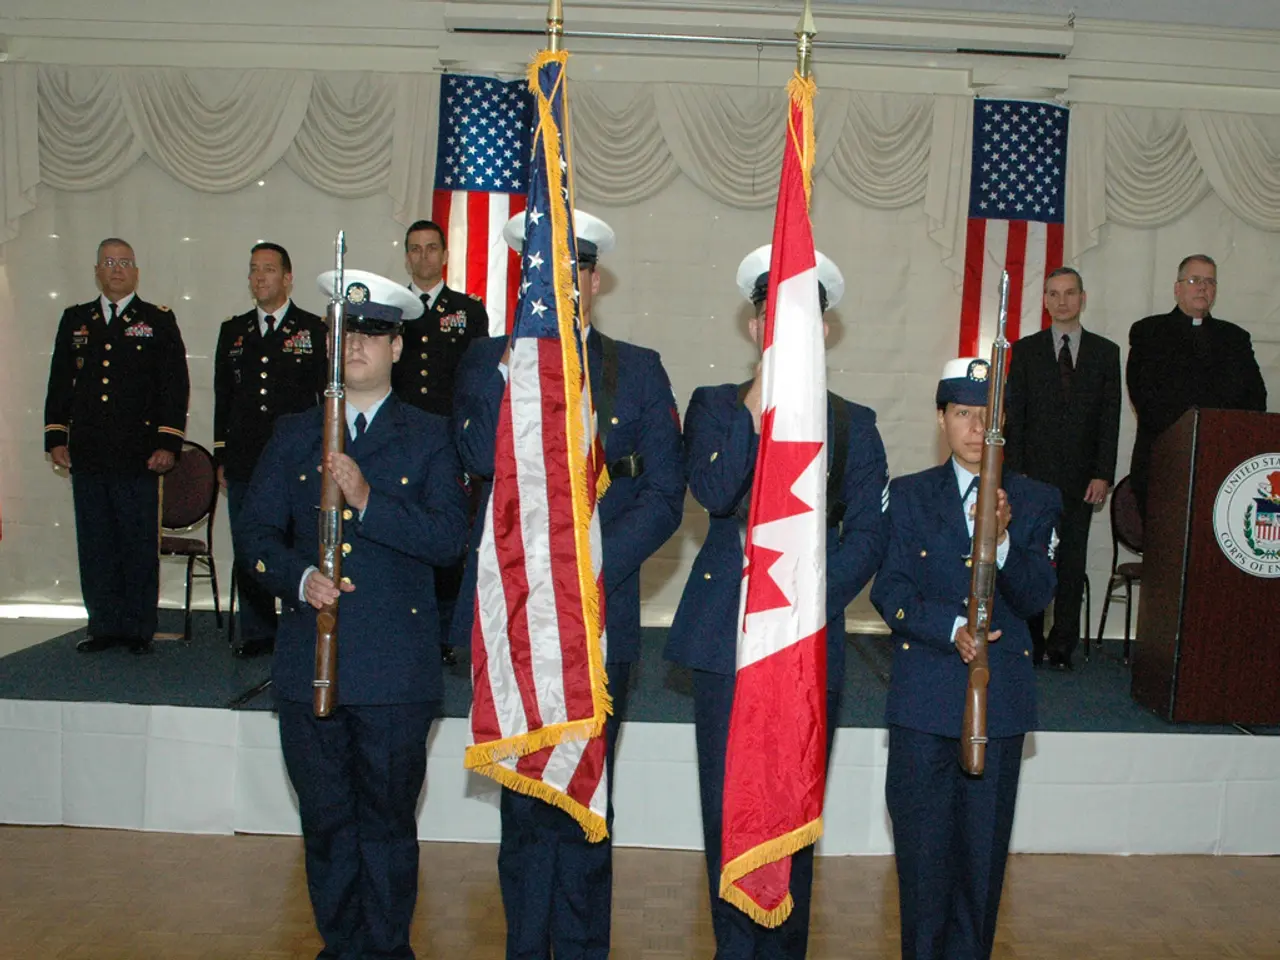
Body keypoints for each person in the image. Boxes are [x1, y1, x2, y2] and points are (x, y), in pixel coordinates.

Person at [451, 209, 685, 960]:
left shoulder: (635, 369)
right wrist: (515, 366)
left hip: (598, 617)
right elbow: (473, 458)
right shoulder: (487, 362)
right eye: (545, 270)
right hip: (517, 624)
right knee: (523, 809)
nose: (562, 284)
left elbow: (665, 496)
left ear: (593, 279)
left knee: (585, 804)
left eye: (573, 270)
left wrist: (586, 571)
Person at [664, 244, 890, 958]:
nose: (783, 327)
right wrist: (760, 398)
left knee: (791, 814)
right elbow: (714, 491)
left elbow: (870, 536)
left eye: (798, 317)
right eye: (771, 315)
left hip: (804, 643)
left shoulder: (853, 424)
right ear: (755, 325)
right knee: (727, 811)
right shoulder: (717, 407)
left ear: (822, 329)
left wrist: (801, 601)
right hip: (725, 642)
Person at [236, 269, 469, 960]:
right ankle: (341, 948)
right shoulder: (295, 432)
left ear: (397, 346)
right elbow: (255, 536)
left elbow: (448, 539)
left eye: (373, 333)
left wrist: (368, 499)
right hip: (310, 665)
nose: (357, 345)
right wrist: (298, 576)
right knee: (327, 825)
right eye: (346, 333)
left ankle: (388, 951)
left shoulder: (430, 435)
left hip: (393, 669)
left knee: (387, 827)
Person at [871, 357, 1060, 960]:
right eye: (962, 414)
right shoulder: (907, 495)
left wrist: (1001, 541)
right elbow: (890, 590)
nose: (977, 428)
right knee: (921, 866)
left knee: (980, 871)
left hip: (997, 709)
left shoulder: (1035, 499)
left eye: (988, 416)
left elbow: (1037, 595)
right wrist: (949, 628)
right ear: (941, 419)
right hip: (923, 704)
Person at [43, 238, 190, 655]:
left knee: (136, 542)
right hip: (89, 453)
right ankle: (103, 625)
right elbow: (59, 381)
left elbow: (174, 387)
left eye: (125, 262)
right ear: (97, 271)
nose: (117, 269)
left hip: (138, 455)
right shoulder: (76, 319)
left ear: (136, 272)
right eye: (109, 262)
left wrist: (168, 443)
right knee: (96, 542)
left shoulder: (157, 320)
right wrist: (56, 436)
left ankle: (138, 628)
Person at [213, 242, 327, 659]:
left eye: (269, 269)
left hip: (297, 460)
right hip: (245, 459)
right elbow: (223, 398)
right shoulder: (234, 331)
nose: (259, 277)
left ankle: (301, 625)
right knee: (250, 543)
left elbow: (324, 399)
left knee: (300, 544)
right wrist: (221, 455)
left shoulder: (312, 330)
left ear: (288, 278)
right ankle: (258, 630)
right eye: (254, 270)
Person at [1005, 266, 1120, 670]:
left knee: (1072, 563)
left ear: (1082, 298)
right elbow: (1015, 416)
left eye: (1070, 293)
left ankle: (1062, 646)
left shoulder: (1106, 353)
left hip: (1082, 481)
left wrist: (1103, 473)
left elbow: (1110, 418)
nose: (1062, 301)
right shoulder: (1026, 350)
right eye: (1053, 294)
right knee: (1032, 558)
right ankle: (1030, 641)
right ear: (1045, 301)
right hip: (1032, 480)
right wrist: (1016, 475)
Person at [395, 218, 491, 666]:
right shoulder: (391, 310)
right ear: (407, 257)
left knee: (449, 535)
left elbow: (478, 380)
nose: (424, 256)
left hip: (450, 443)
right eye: (415, 249)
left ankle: (447, 630)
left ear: (445, 255)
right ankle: (405, 625)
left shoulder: (468, 311)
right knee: (404, 531)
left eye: (431, 248)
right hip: (402, 442)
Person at [1126, 254, 1267, 515]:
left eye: (1210, 282)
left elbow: (1256, 400)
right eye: (1194, 280)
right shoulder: (1149, 332)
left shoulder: (1234, 339)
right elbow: (1145, 399)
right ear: (1177, 288)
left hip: (1221, 465)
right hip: (1163, 464)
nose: (1202, 287)